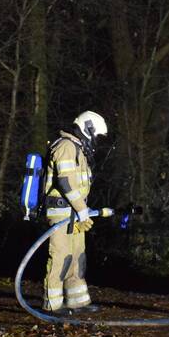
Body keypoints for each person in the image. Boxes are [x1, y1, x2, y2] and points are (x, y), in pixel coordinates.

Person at [41, 110, 108, 314]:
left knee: (77, 257)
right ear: (87, 129)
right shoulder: (65, 146)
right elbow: (65, 181)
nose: (96, 140)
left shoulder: (79, 149)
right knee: (60, 257)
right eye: (96, 135)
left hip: (75, 213)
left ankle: (76, 301)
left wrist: (81, 210)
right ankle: (52, 305)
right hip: (61, 212)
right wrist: (82, 208)